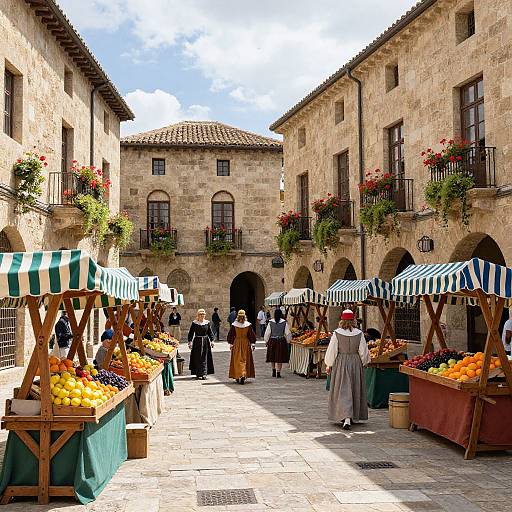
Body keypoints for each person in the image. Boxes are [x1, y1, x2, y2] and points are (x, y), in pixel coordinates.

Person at [325, 309, 370, 430]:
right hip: (355, 362)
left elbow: (332, 350)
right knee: (353, 388)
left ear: (342, 320)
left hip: (341, 363)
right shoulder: (359, 333)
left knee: (343, 389)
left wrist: (329, 364)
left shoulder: (337, 333)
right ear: (353, 320)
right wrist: (365, 362)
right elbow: (364, 351)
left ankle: (346, 417)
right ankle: (349, 416)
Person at [227, 309, 256, 384]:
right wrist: (253, 343)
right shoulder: (248, 325)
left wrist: (231, 344)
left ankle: (238, 375)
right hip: (245, 343)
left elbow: (231, 335)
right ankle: (243, 374)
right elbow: (251, 335)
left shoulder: (234, 325)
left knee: (237, 360)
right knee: (244, 360)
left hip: (237, 343)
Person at [264, 308, 292, 378]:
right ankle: (278, 372)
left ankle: (273, 370)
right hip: (281, 341)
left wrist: (266, 341)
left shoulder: (270, 322)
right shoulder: (284, 322)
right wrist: (288, 341)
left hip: (272, 340)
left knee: (272, 356)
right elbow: (288, 333)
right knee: (280, 357)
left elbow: (267, 333)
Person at [188, 309, 215, 380]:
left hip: (205, 342)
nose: (202, 316)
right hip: (197, 341)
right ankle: (198, 373)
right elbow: (191, 333)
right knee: (197, 357)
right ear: (198, 315)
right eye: (200, 314)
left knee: (204, 357)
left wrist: (212, 341)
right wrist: (190, 342)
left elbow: (210, 333)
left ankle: (204, 373)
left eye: (203, 314)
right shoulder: (194, 323)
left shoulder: (207, 323)